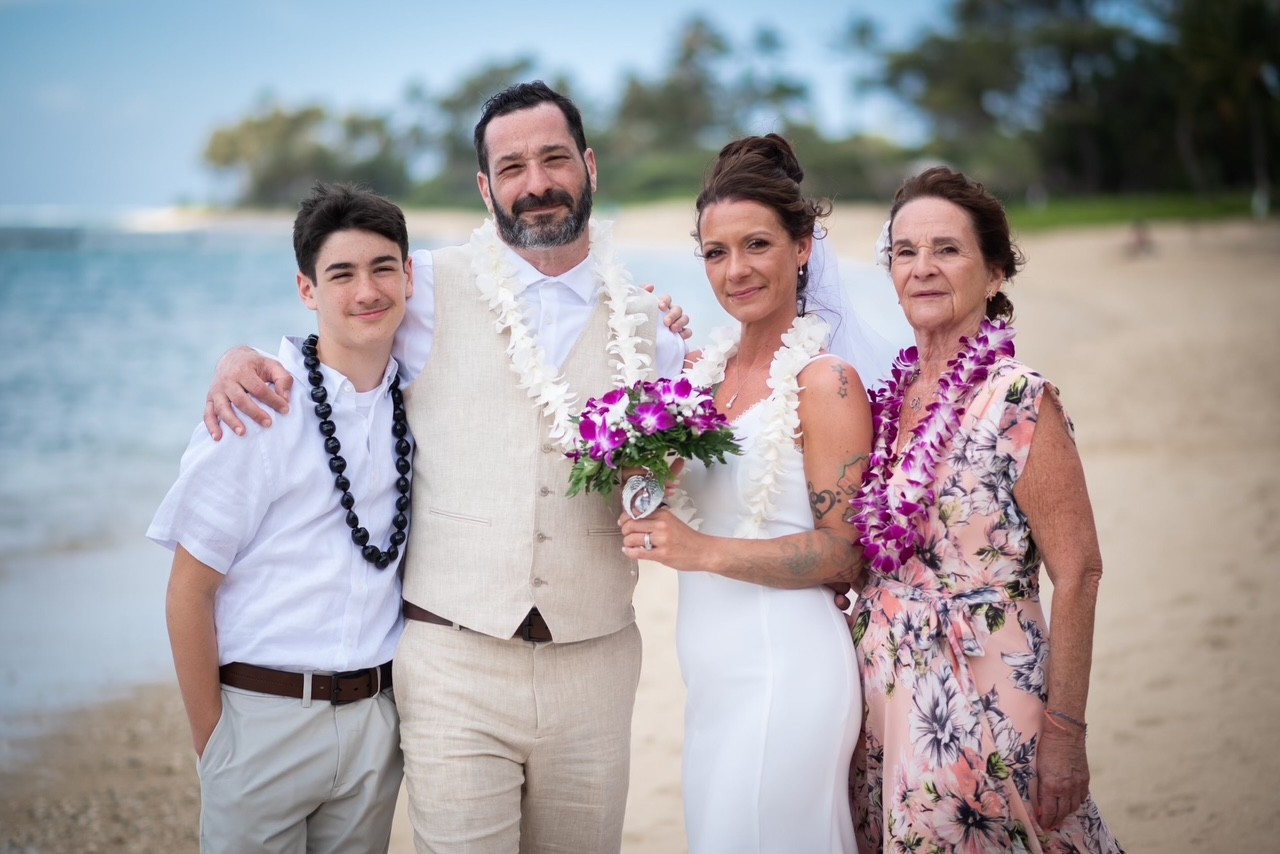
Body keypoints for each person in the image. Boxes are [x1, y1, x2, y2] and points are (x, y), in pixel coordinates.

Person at [204, 81, 689, 853]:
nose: (536, 184)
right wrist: (244, 360)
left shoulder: (650, 329)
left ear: (590, 166)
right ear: (484, 186)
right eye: (513, 166)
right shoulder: (422, 284)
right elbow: (337, 326)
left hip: (596, 660)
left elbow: (676, 479)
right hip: (451, 656)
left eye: (554, 159)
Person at [848, 166, 1123, 852]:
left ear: (994, 272)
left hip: (987, 695)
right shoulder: (885, 403)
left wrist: (1065, 733)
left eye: (947, 249)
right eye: (905, 252)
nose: (923, 268)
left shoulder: (1020, 400)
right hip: (883, 704)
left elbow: (1081, 570)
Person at [617, 134, 871, 853]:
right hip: (712, 678)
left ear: (802, 248)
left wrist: (701, 552)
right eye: (715, 253)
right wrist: (646, 355)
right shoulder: (698, 376)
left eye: (757, 244)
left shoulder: (826, 383)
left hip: (787, 673)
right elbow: (648, 493)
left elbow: (844, 554)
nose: (736, 270)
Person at [147, 182, 412, 853]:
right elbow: (189, 588)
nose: (366, 291)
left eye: (383, 267)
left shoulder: (415, 396)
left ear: (410, 276)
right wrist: (217, 745)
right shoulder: (257, 408)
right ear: (306, 290)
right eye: (341, 274)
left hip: (374, 729)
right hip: (262, 723)